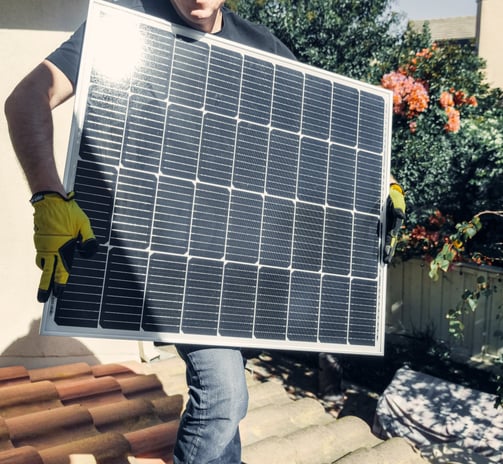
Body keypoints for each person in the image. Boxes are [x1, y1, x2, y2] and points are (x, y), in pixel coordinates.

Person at [4, 1, 295, 463]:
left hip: (242, 266)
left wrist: (383, 181)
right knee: (224, 395)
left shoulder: (264, 48)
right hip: (172, 261)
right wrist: (48, 195)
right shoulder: (126, 25)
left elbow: (330, 139)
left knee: (225, 403)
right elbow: (26, 98)